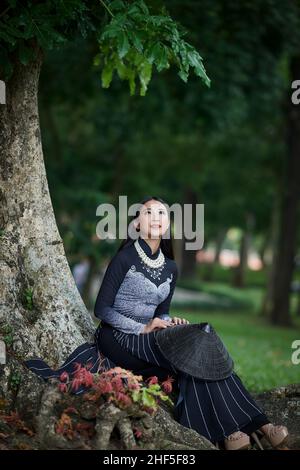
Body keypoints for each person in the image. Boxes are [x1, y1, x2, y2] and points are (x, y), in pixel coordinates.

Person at [25, 195, 289, 450]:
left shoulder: (171, 268)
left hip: (151, 337)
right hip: (118, 337)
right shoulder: (125, 258)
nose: (155, 217)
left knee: (203, 341)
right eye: (148, 212)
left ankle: (262, 426)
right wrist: (142, 327)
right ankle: (230, 432)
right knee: (194, 354)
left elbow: (162, 311)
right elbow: (101, 309)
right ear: (137, 223)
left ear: (167, 222)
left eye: (161, 213)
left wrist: (167, 321)